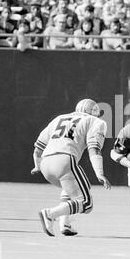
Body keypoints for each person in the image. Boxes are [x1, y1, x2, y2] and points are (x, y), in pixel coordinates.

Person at [32, 99, 112, 237]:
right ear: (94, 112)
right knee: (86, 203)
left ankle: (65, 223)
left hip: (46, 163)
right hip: (64, 161)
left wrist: (37, 165)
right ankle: (50, 214)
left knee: (72, 187)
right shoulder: (96, 121)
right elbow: (94, 149)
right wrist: (100, 173)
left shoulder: (59, 118)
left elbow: (38, 149)